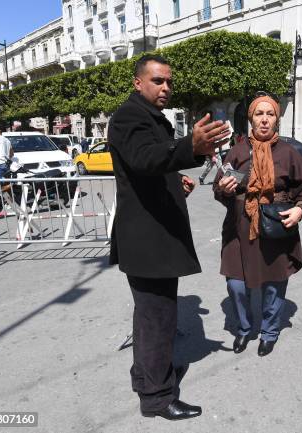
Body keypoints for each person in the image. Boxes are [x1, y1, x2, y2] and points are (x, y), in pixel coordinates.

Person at [107, 54, 230, 421]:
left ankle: (146, 376)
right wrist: (189, 146)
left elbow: (150, 167)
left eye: (169, 82)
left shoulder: (150, 118)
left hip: (153, 238)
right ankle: (157, 398)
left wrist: (175, 181)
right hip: (148, 240)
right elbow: (145, 158)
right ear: (138, 83)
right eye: (158, 81)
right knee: (158, 320)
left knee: (150, 318)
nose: (166, 87)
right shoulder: (130, 116)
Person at [213, 93, 302, 357]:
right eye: (259, 114)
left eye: (269, 114)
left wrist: (300, 209)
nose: (264, 120)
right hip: (239, 228)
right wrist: (224, 189)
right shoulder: (237, 151)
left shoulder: (288, 153)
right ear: (251, 119)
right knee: (236, 285)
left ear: (276, 119)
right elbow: (218, 187)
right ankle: (244, 328)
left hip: (275, 226)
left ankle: (269, 332)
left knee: (274, 284)